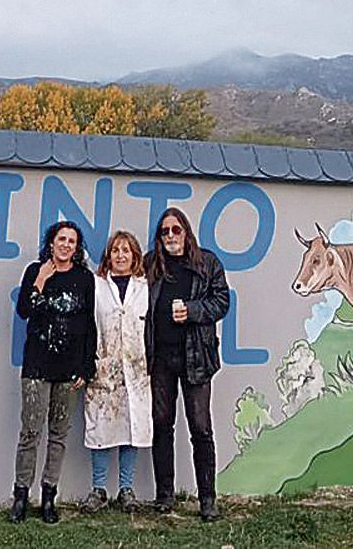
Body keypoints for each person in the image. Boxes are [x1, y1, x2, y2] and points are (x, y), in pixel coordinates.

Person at [9, 221, 97, 524]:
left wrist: (87, 366)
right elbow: (24, 310)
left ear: (77, 247)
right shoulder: (36, 271)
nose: (66, 245)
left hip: (69, 369)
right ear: (51, 243)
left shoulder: (85, 278)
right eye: (62, 239)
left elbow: (89, 325)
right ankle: (21, 495)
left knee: (59, 435)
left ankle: (49, 497)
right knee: (30, 432)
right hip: (36, 365)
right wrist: (41, 282)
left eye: (72, 241)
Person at [144, 207, 229, 522]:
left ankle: (207, 499)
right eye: (164, 232)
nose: (170, 236)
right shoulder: (152, 264)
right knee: (162, 426)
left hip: (196, 358)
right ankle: (164, 496)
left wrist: (192, 310)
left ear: (186, 232)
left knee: (200, 428)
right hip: (161, 359)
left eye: (175, 230)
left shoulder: (207, 263)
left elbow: (222, 302)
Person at [80, 230, 151, 514]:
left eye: (127, 251)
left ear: (135, 257)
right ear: (108, 256)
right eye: (115, 251)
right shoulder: (96, 286)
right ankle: (98, 489)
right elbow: (87, 325)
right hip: (104, 368)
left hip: (137, 369)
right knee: (101, 428)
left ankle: (126, 489)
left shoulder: (145, 287)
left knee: (131, 428)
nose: (121, 256)